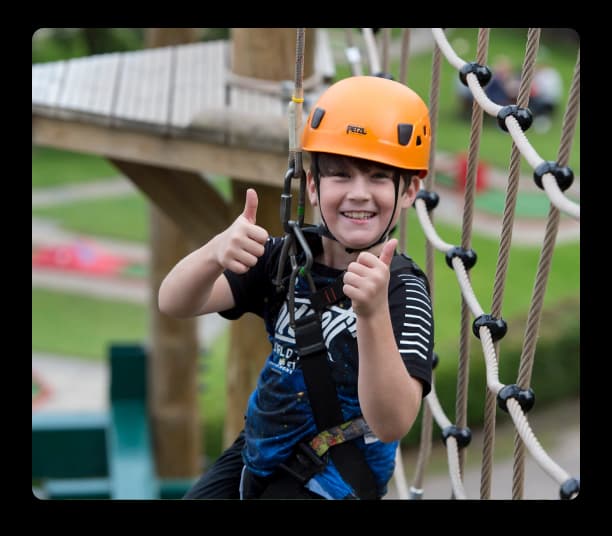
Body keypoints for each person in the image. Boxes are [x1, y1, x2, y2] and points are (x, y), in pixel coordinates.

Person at [158, 75, 435, 500]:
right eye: (340, 175)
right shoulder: (285, 258)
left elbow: (393, 422)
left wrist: (373, 314)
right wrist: (215, 252)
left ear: (409, 189)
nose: (358, 194)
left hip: (333, 479)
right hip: (257, 454)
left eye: (378, 177)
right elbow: (174, 301)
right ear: (312, 184)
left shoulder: (401, 291)